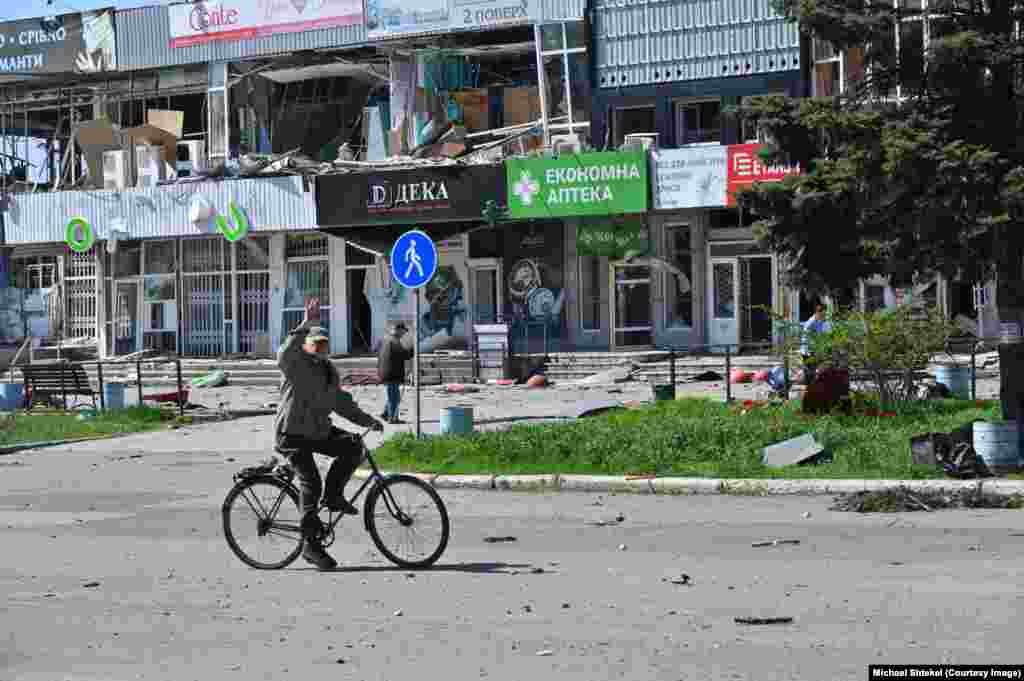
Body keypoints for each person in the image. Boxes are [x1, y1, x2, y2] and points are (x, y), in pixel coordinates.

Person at [275, 297, 384, 571]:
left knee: (353, 447)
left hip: (316, 430)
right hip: (292, 433)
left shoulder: (328, 370)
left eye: (324, 344)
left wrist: (368, 421)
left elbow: (341, 404)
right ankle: (311, 546)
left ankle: (334, 496)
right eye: (315, 344)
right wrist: (306, 324)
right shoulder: (295, 364)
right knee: (311, 481)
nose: (321, 348)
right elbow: (283, 353)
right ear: (307, 346)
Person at [378, 322, 413, 423]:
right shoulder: (395, 341)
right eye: (403, 331)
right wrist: (413, 348)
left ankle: (385, 414)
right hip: (391, 374)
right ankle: (393, 418)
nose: (404, 334)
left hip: (386, 372)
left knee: (392, 395)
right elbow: (405, 355)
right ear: (398, 330)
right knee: (394, 397)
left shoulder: (385, 339)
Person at [800, 303, 831, 385]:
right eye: (824, 313)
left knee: (814, 371)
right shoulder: (812, 322)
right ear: (818, 312)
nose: (824, 315)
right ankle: (809, 389)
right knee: (810, 373)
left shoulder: (818, 321)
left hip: (812, 350)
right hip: (808, 350)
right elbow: (812, 338)